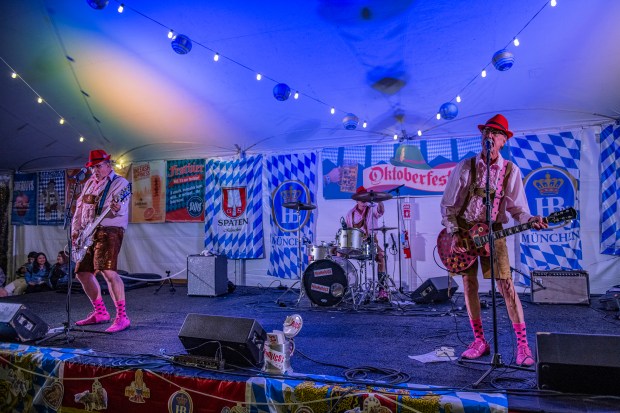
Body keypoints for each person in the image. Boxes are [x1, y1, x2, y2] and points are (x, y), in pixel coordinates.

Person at [440, 114, 548, 367]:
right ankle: (479, 341)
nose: (489, 135)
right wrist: (455, 232)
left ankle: (522, 346)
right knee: (469, 285)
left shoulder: (511, 170)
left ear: (503, 141)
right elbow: (448, 204)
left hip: (493, 230)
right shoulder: (466, 166)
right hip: (465, 231)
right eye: (486, 131)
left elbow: (518, 210)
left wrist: (531, 219)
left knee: (506, 286)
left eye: (495, 133)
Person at [71, 149, 131, 333]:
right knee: (82, 272)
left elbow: (121, 208)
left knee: (108, 272)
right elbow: (80, 209)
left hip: (109, 229)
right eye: (92, 167)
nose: (95, 170)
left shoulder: (120, 183)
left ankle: (122, 317)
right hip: (88, 232)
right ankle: (100, 312)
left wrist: (117, 207)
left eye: (98, 166)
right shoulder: (89, 183)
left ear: (108, 165)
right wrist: (76, 231)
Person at [345, 186, 388, 300]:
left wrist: (379, 201)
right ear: (357, 200)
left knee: (381, 256)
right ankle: (344, 288)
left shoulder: (372, 208)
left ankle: (382, 290)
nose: (364, 202)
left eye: (366, 199)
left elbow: (380, 211)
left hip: (372, 242)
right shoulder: (350, 214)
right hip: (356, 244)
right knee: (338, 254)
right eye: (362, 199)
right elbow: (349, 231)